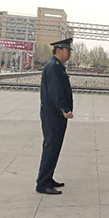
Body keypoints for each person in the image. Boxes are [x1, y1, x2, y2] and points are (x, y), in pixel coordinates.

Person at [36, 38, 74, 195]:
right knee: (51, 147)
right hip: (53, 115)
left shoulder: (57, 66)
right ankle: (43, 183)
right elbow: (56, 91)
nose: (69, 53)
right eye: (67, 50)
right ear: (59, 51)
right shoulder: (53, 67)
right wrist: (64, 109)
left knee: (54, 148)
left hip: (55, 115)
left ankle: (48, 178)